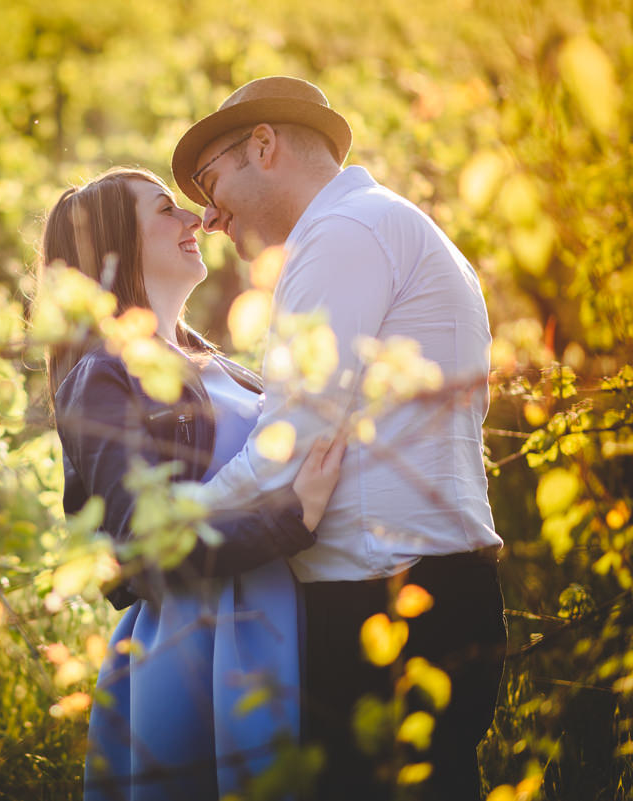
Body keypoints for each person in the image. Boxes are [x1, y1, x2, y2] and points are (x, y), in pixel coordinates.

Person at [170, 76, 508, 800]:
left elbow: (286, 445)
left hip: (392, 601)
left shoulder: (343, 234)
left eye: (211, 181)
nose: (209, 217)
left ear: (264, 145)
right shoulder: (380, 225)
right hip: (424, 588)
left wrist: (169, 525)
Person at [42, 167, 344, 801]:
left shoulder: (223, 365)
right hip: (197, 641)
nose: (197, 219)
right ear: (118, 244)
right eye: (166, 210)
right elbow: (140, 548)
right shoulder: (103, 375)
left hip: (279, 613)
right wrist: (293, 520)